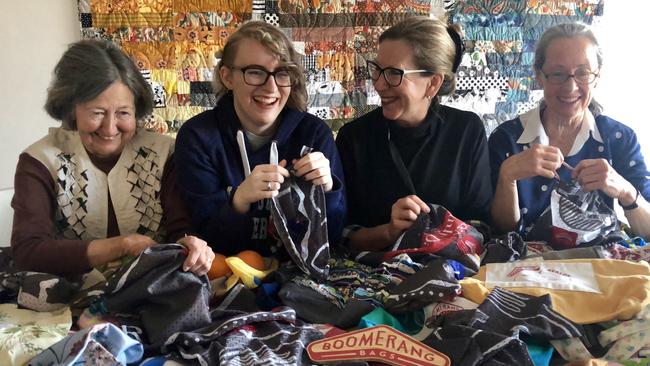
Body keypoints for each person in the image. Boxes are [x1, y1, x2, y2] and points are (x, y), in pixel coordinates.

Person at [11, 39, 214, 277]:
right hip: (65, 298)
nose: (109, 128)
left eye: (123, 113)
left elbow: (181, 229)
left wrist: (191, 244)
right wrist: (123, 245)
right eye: (97, 113)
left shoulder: (166, 153)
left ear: (137, 110)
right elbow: (28, 252)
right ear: (70, 110)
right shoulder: (39, 161)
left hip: (151, 292)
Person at [174, 21, 346, 256]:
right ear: (227, 77)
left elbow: (333, 241)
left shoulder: (315, 134)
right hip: (225, 272)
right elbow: (203, 240)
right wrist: (239, 201)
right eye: (255, 72)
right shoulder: (197, 137)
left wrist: (328, 191)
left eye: (282, 73)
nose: (271, 87)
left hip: (298, 277)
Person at [336, 16, 492, 251]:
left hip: (450, 275)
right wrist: (388, 232)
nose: (378, 84)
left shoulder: (466, 132)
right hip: (368, 277)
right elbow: (341, 236)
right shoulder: (354, 138)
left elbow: (482, 227)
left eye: (393, 73)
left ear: (433, 84)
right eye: (377, 70)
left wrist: (431, 234)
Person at [489, 22, 650, 238]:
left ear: (597, 77)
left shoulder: (619, 138)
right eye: (557, 73)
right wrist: (506, 177)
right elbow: (499, 232)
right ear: (539, 76)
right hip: (525, 267)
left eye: (583, 73)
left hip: (599, 267)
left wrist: (626, 192)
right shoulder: (506, 139)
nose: (571, 87)